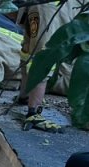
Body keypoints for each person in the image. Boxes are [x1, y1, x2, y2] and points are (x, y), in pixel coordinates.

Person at [18, 0, 76, 132]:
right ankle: (34, 112)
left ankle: (25, 95)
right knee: (44, 55)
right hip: (53, 7)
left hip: (43, 5)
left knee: (29, 49)